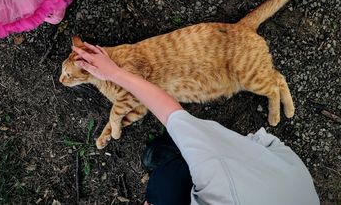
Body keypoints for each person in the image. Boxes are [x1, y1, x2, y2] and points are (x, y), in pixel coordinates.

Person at [72, 42, 320, 205]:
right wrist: (114, 74)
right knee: (161, 186)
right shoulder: (218, 174)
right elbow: (171, 113)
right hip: (255, 163)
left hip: (289, 177)